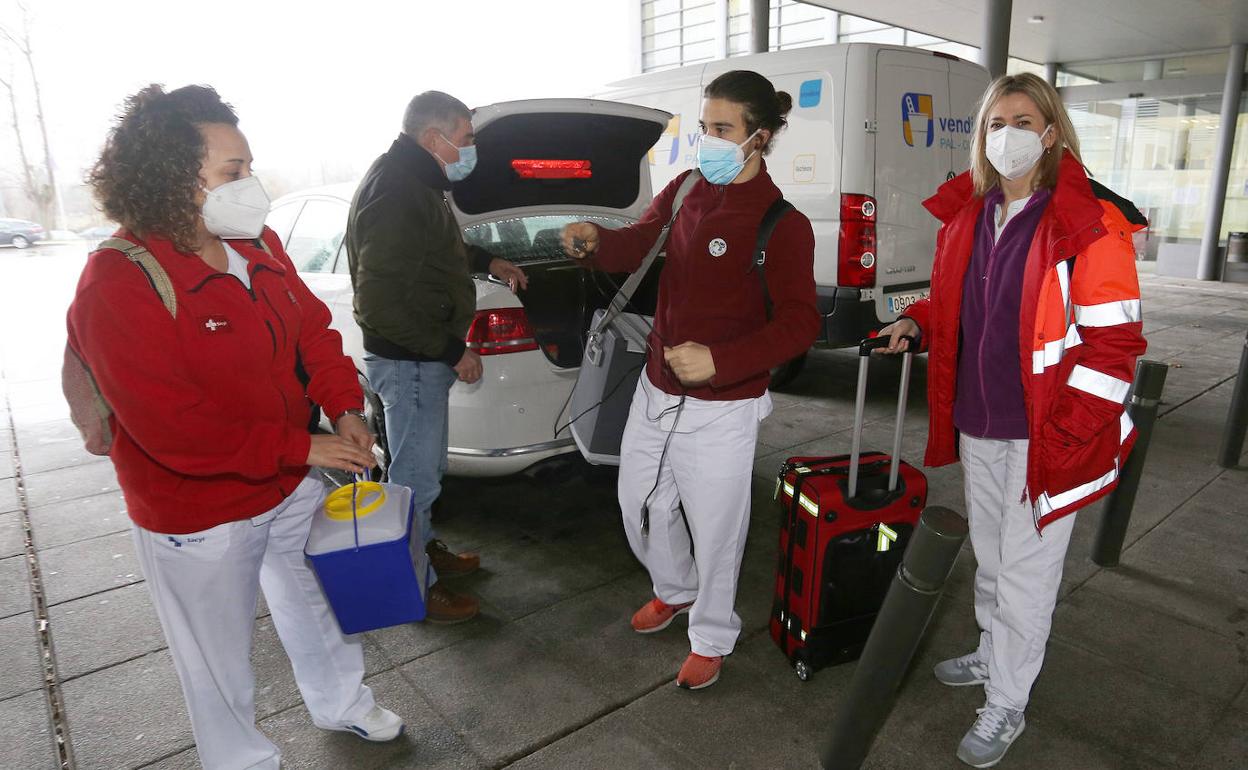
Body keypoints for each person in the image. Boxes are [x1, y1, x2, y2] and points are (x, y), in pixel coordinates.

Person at [68, 85, 403, 770]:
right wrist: (302, 445)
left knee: (316, 600)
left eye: (248, 165)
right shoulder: (119, 279)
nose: (250, 182)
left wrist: (344, 408)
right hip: (196, 508)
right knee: (214, 649)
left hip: (287, 481)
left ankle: (341, 702)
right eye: (233, 170)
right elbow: (172, 427)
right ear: (173, 177)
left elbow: (314, 331)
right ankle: (239, 758)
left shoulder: (257, 243)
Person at [879, 73, 1146, 768]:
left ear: (1051, 132)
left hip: (1051, 438)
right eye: (995, 122)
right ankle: (992, 652)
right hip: (982, 421)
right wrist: (917, 320)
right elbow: (964, 302)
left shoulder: (1089, 224)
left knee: (1028, 576)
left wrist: (1065, 437)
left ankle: (1007, 704)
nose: (1007, 134)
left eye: (1023, 120)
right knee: (993, 560)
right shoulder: (976, 212)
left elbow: (1114, 347)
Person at [560, 70, 820, 690]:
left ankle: (711, 634)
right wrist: (595, 241)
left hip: (724, 407)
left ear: (759, 137)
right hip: (656, 388)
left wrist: (723, 362)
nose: (708, 140)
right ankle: (673, 589)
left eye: (722, 129)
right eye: (705, 127)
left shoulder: (784, 223)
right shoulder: (685, 190)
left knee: (717, 529)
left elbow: (799, 323)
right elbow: (637, 242)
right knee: (639, 503)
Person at [345, 91, 528, 624]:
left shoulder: (416, 181)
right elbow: (376, 303)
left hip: (417, 359)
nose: (469, 149)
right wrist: (453, 350)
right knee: (416, 481)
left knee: (423, 472)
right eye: (466, 139)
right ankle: (415, 585)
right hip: (411, 360)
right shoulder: (397, 190)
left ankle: (423, 550)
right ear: (434, 139)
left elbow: (432, 250)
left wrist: (487, 258)